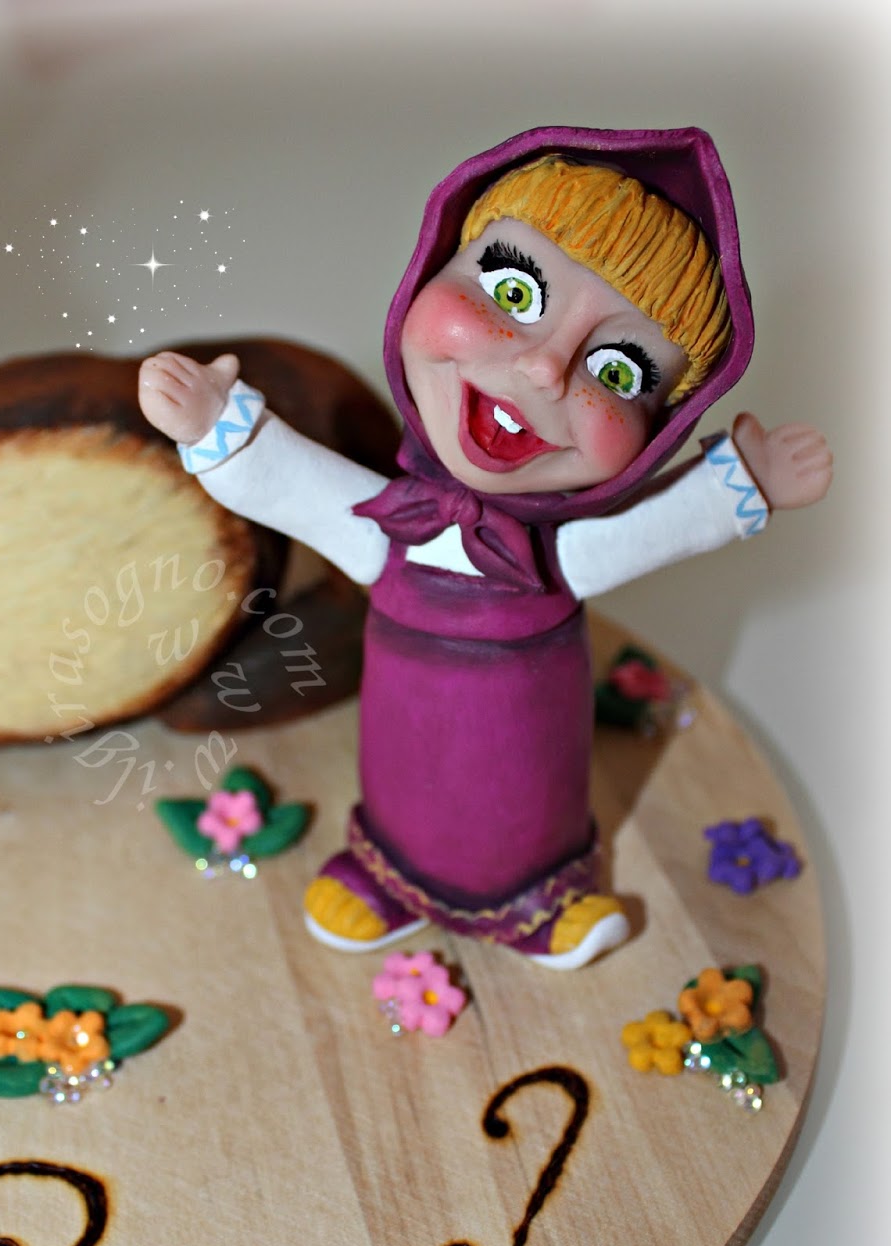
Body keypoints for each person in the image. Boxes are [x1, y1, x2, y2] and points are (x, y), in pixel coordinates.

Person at [138, 126, 831, 969]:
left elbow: (655, 528)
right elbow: (292, 484)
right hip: (402, 736)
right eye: (513, 290)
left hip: (531, 738)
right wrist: (218, 424)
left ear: (660, 429)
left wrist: (743, 481)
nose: (542, 370)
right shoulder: (391, 521)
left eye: (617, 371)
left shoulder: (558, 559)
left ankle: (542, 895)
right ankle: (388, 875)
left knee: (525, 810)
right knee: (402, 794)